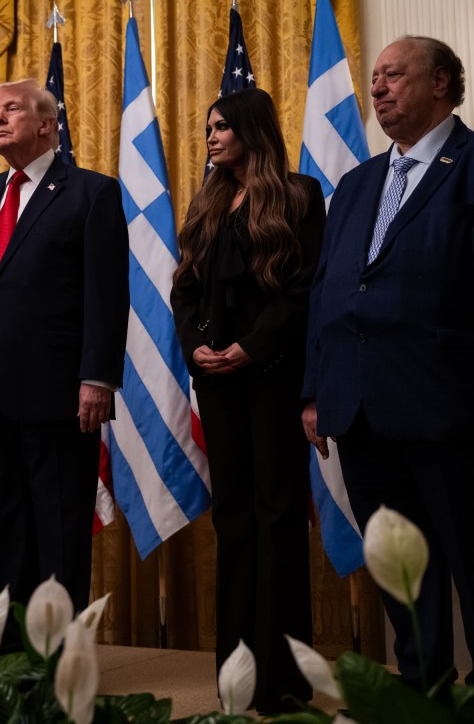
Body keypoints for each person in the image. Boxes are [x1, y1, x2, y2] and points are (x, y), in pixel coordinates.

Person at [301, 37, 474, 686]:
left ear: (442, 84)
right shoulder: (357, 181)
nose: (378, 88)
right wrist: (315, 391)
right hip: (363, 411)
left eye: (394, 75)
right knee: (402, 578)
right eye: (374, 78)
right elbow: (329, 290)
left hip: (457, 409)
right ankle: (422, 694)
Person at [0, 78, 129, 625]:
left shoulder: (92, 193)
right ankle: (11, 663)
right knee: (6, 528)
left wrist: (97, 378)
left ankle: (60, 668)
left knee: (59, 532)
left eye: (11, 109)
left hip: (61, 395)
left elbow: (106, 296)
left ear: (47, 124)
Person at [171, 87, 323, 713]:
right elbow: (184, 292)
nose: (211, 137)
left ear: (251, 130)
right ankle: (234, 675)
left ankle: (281, 681)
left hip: (273, 375)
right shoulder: (206, 203)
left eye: (221, 126)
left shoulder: (299, 194)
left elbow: (304, 288)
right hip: (218, 381)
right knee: (232, 518)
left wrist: (248, 348)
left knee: (277, 515)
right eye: (208, 127)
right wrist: (200, 351)